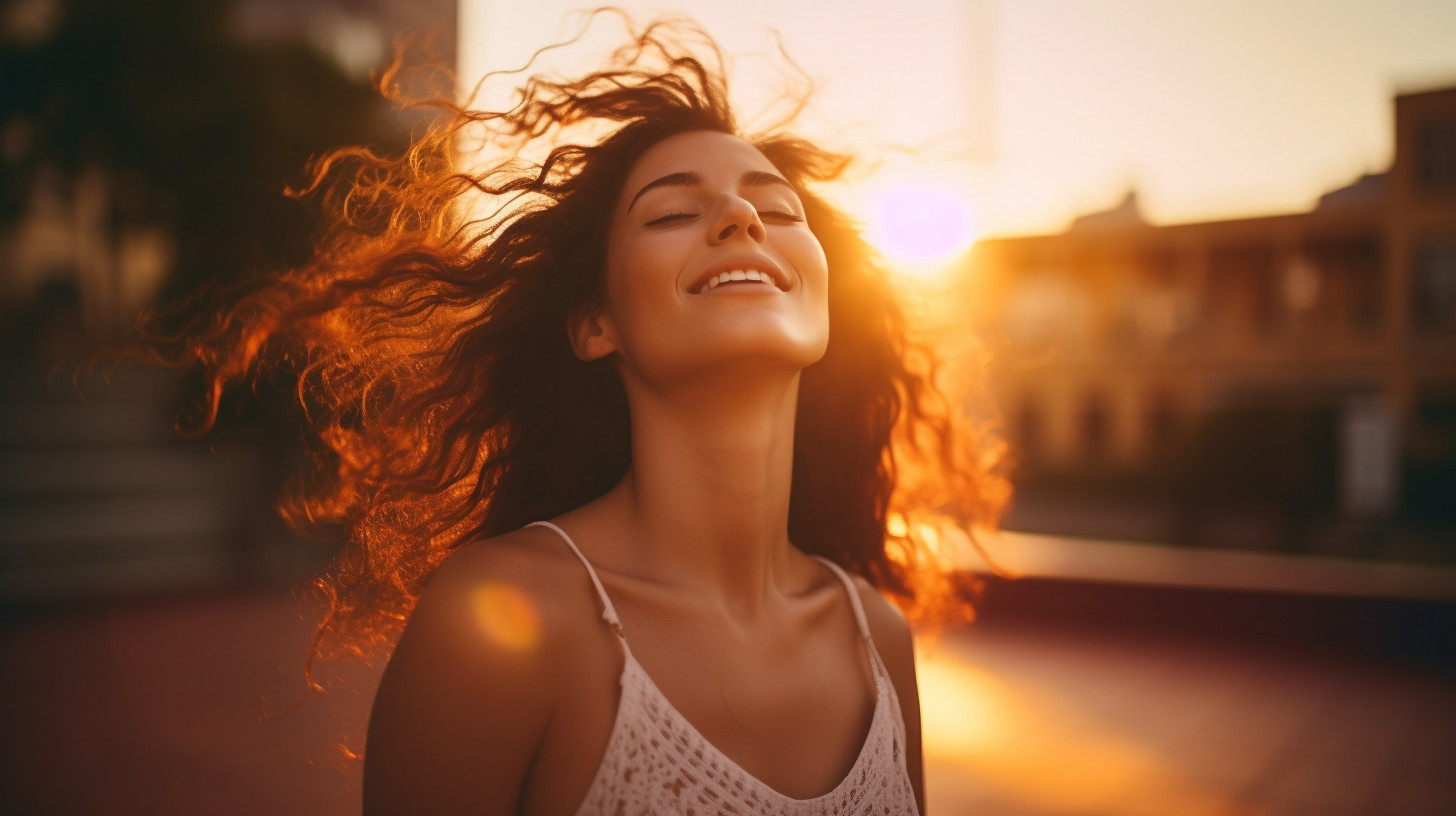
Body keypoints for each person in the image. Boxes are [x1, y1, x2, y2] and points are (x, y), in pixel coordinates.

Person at [150, 12, 1007, 815]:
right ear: (596, 324)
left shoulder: (878, 642)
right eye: (674, 211)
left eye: (778, 210)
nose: (743, 217)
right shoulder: (501, 617)